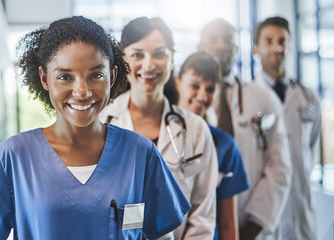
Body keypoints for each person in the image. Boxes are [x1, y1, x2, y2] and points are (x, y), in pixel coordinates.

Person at [0, 16, 191, 240]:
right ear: (45, 79)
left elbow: (162, 236)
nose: (82, 91)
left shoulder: (140, 155)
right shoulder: (12, 158)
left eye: (95, 75)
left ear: (112, 76)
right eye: (65, 77)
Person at [100, 17, 218, 239]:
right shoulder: (102, 122)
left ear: (172, 60)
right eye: (137, 55)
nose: (149, 65)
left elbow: (203, 213)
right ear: (122, 62)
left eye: (159, 54)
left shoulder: (195, 129)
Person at [199, 18, 291, 240]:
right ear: (200, 48)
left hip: (251, 226)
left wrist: (253, 226)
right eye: (213, 40)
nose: (221, 45)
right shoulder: (186, 101)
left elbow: (280, 166)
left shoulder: (263, 98)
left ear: (236, 48)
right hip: (199, 227)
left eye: (228, 40)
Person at [253, 16, 322, 240]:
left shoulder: (307, 96)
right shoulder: (248, 98)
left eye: (282, 41)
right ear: (256, 48)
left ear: (289, 46)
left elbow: (311, 147)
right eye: (269, 40)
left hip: (302, 214)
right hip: (265, 220)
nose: (277, 47)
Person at [173, 51, 250, 240]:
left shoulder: (224, 146)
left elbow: (227, 224)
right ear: (177, 83)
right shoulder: (157, 134)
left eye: (210, 89)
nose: (202, 96)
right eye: (194, 85)